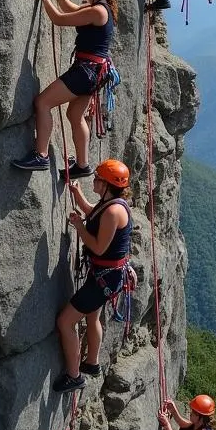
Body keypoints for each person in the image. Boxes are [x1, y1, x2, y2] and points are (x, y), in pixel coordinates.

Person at [12, 0, 117, 176]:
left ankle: (41, 155)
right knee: (74, 114)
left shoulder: (98, 11)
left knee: (43, 102)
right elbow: (72, 10)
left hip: (86, 72)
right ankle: (82, 165)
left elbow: (59, 19)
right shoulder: (99, 8)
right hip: (95, 72)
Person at [53, 159, 135, 393]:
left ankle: (74, 375)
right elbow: (94, 215)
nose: (94, 180)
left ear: (108, 184)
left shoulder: (113, 211)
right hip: (106, 275)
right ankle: (92, 363)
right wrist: (78, 196)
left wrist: (79, 226)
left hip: (103, 279)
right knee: (92, 318)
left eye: (98, 178)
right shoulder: (111, 204)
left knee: (65, 322)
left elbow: (98, 247)